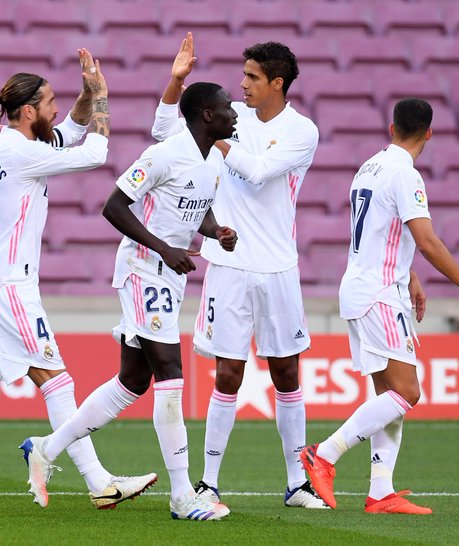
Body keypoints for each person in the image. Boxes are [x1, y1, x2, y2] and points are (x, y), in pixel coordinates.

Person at [0, 49, 156, 510]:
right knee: (57, 381)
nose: (56, 108)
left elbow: (68, 132)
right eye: (50, 102)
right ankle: (99, 482)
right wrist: (101, 96)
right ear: (27, 112)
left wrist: (84, 95)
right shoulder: (20, 152)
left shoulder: (11, 144)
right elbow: (95, 152)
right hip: (10, 288)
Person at [21, 82, 239, 521]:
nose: (235, 113)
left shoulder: (214, 157)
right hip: (144, 271)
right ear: (207, 116)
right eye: (227, 107)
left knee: (133, 382)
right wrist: (163, 248)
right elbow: (114, 206)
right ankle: (182, 496)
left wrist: (215, 231)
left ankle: (46, 447)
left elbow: (198, 209)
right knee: (171, 375)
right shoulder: (162, 154)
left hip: (169, 275)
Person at [300, 98, 459, 514]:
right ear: (429, 133)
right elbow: (426, 240)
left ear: (391, 127)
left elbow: (378, 229)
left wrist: (410, 276)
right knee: (407, 393)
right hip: (378, 294)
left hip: (362, 286)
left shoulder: (368, 167)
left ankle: (380, 492)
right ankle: (324, 454)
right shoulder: (405, 175)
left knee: (387, 394)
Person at [150, 33, 325, 510]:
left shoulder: (300, 130)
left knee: (286, 372)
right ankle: (208, 482)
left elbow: (260, 171)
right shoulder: (231, 117)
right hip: (226, 264)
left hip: (277, 268)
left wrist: (216, 137)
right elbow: (164, 130)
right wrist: (176, 82)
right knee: (228, 373)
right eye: (242, 75)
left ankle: (297, 483)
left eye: (251, 76)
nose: (242, 84)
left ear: (277, 82)